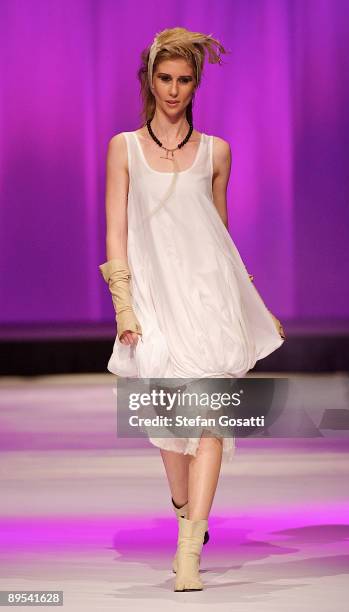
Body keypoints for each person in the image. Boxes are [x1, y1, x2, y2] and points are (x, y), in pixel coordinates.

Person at [99, 27, 285, 592]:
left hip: (206, 300)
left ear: (195, 84)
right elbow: (115, 233)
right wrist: (124, 310)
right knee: (171, 427)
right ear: (149, 81)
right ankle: (184, 509)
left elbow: (219, 239)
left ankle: (188, 550)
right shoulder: (123, 148)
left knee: (207, 424)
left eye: (183, 80)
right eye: (164, 79)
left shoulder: (216, 152)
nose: (173, 90)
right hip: (155, 302)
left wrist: (249, 301)